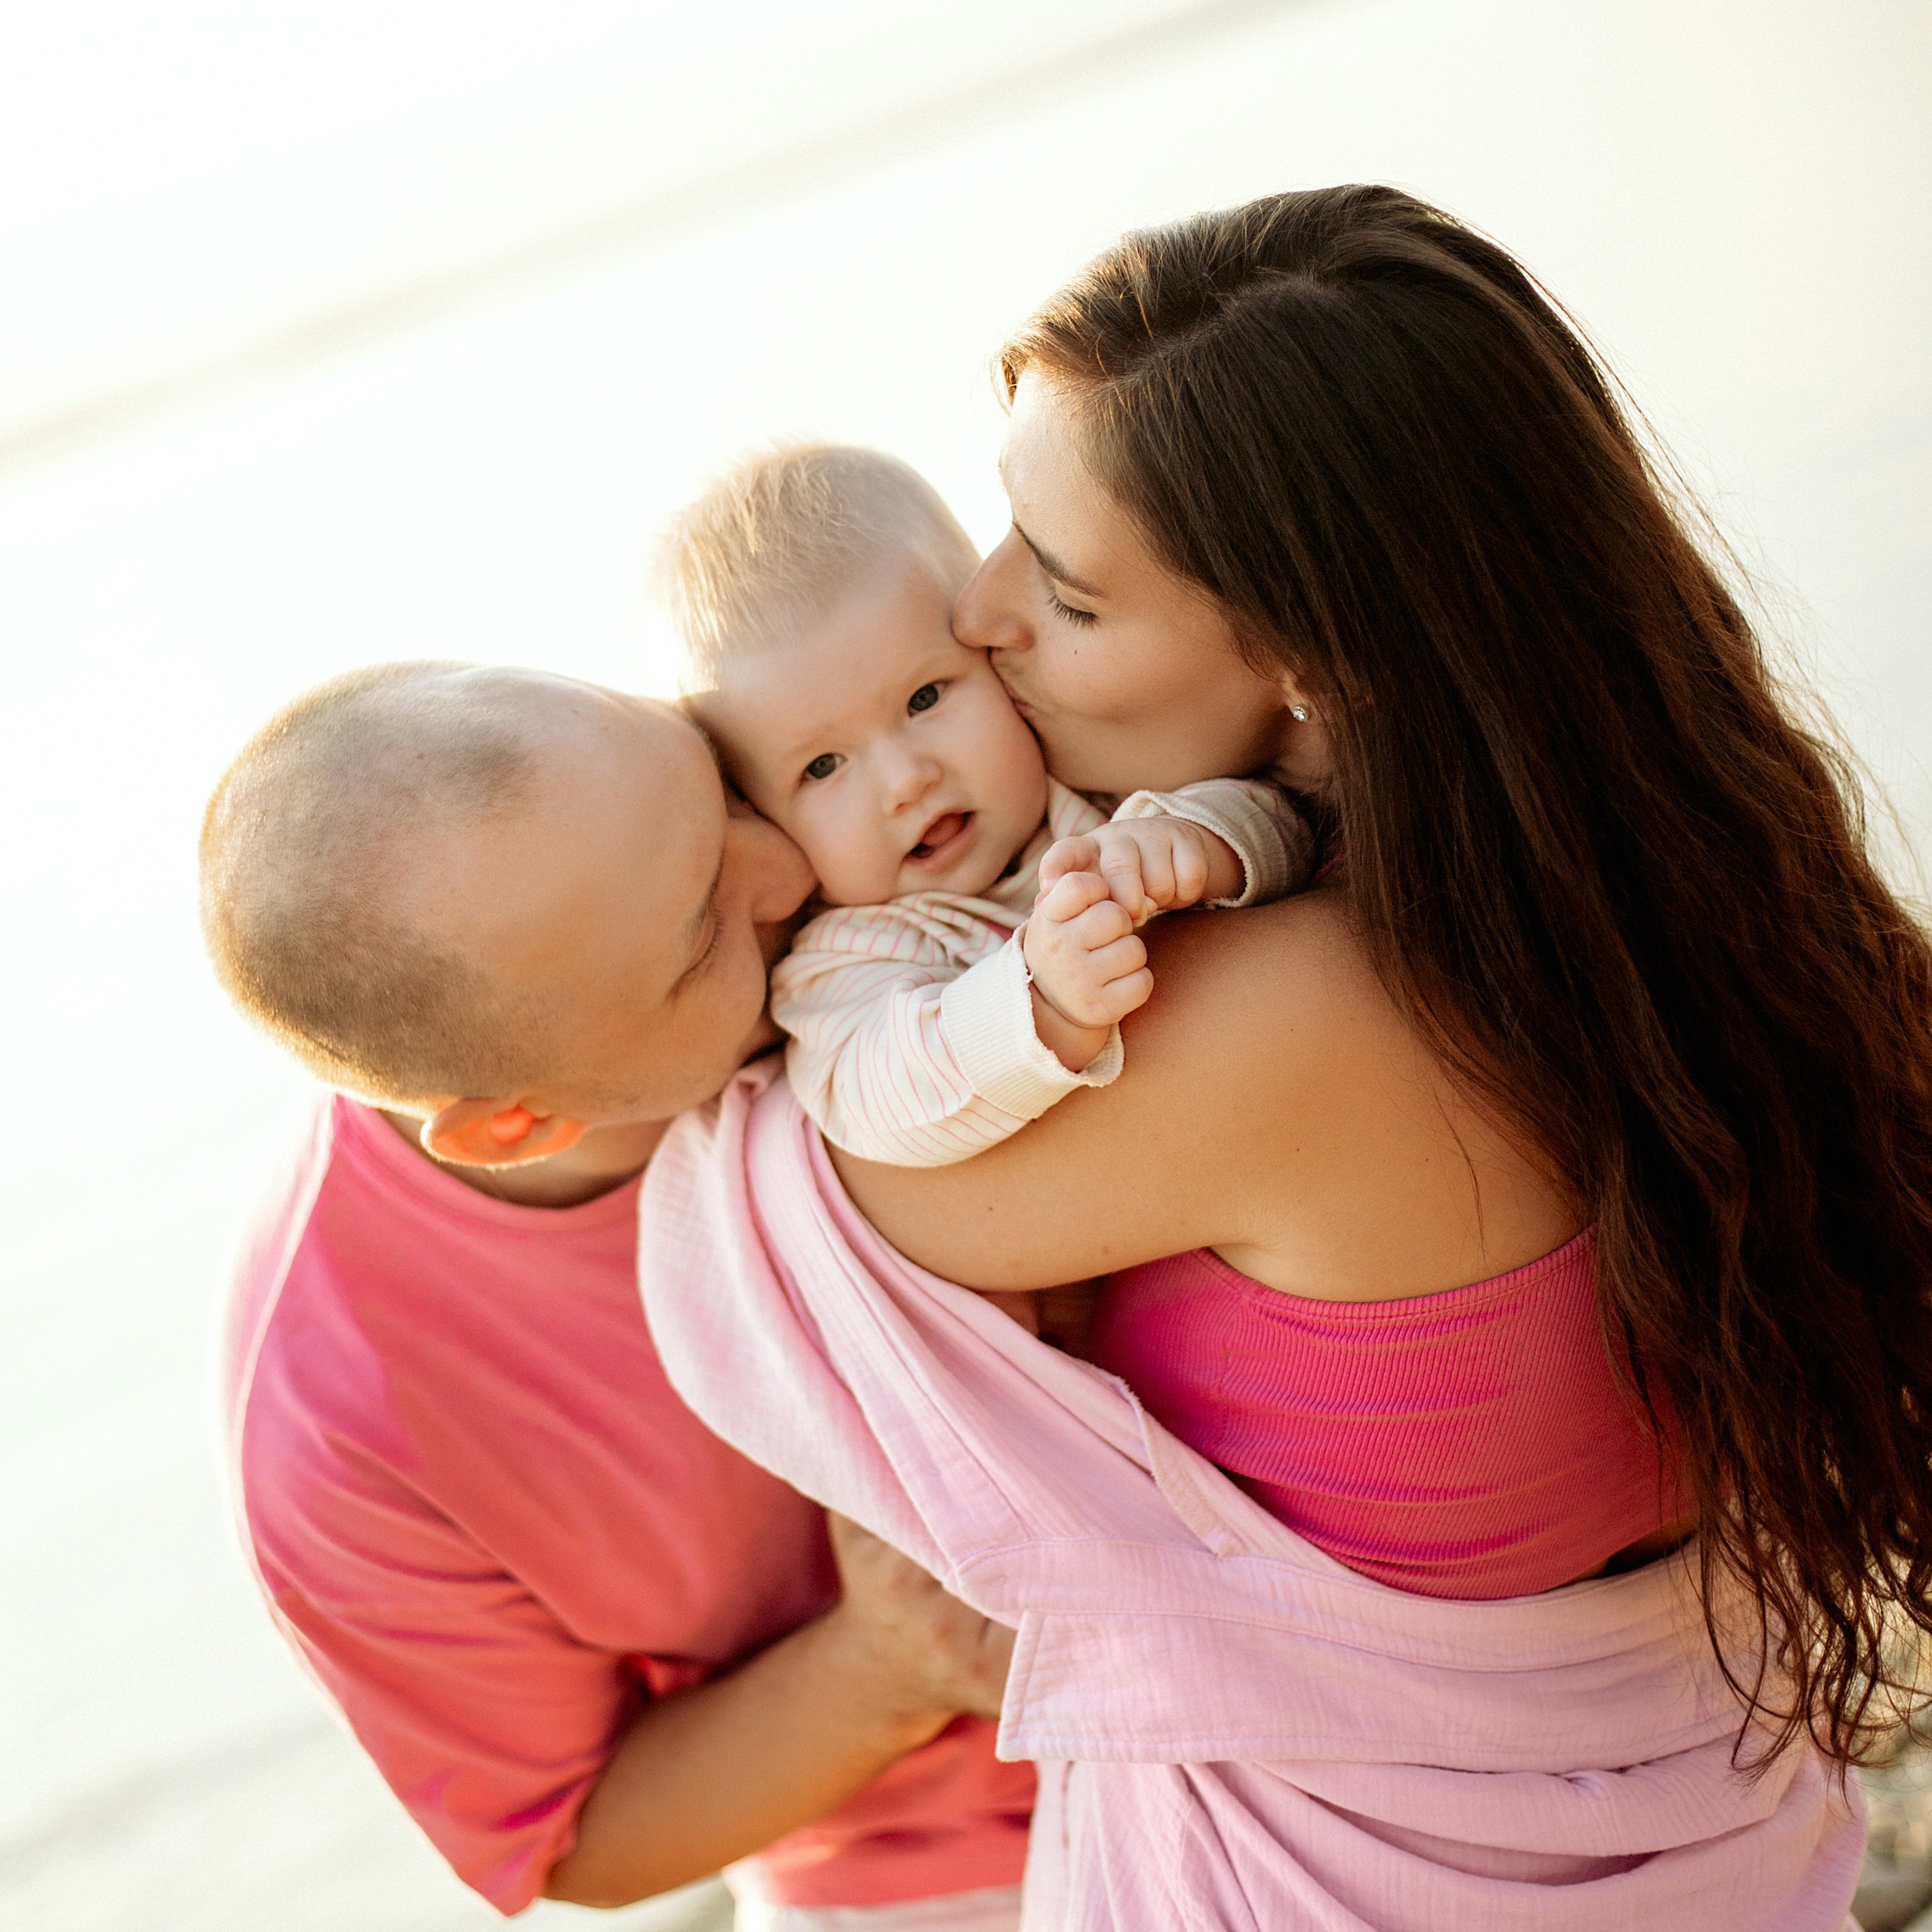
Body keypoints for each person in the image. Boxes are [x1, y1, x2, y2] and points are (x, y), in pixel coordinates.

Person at [632, 185, 1932, 1927]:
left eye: (1064, 592)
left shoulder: (1276, 1019)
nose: (980, 614)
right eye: (1000, 528)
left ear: (1309, 657)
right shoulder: (1632, 905)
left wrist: (715, 868)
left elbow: (781, 1209)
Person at [202, 672, 1035, 1928]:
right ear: (517, 1124)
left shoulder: (758, 819)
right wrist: (884, 1666)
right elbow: (577, 1840)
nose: (789, 869)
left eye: (716, 786)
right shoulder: (332, 1430)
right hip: (949, 1876)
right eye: (702, 937)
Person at [663, 441, 1309, 1168]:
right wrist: (1040, 1003)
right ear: (759, 811)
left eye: (925, 698)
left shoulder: (1098, 791)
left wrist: (1199, 841)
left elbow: (1289, 819)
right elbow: (875, 1095)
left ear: (992, 656)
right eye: (823, 767)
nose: (906, 781)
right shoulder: (847, 956)